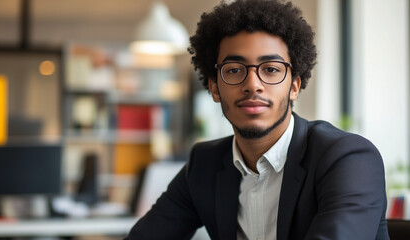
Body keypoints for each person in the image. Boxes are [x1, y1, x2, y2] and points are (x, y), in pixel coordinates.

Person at [125, 0, 389, 239]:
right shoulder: (204, 166)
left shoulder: (347, 158)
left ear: (294, 86)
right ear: (215, 88)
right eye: (235, 70)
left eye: (271, 69)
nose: (253, 85)